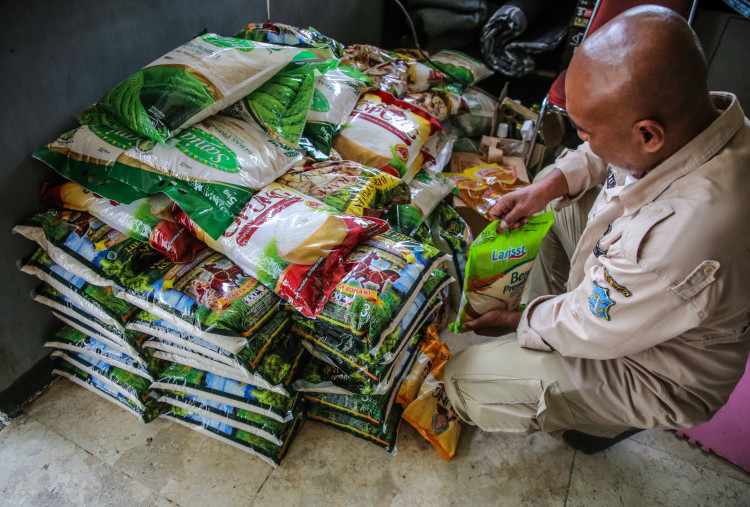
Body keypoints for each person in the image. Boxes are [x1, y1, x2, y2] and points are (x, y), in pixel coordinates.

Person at [443, 5, 750, 454]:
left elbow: (592, 323)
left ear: (648, 135)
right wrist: (543, 189)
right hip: (636, 302)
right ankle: (549, 335)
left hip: (655, 369)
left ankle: (603, 418)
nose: (582, 141)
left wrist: (520, 321)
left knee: (461, 380)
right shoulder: (694, 120)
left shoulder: (685, 234)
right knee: (542, 216)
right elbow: (605, 153)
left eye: (585, 132)